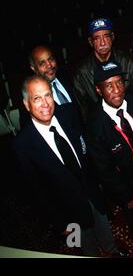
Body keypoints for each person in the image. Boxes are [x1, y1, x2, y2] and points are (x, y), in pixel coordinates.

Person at [13, 75, 126, 257]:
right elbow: (37, 191)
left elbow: (86, 153)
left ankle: (112, 249)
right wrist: (59, 222)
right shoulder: (23, 145)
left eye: (47, 95)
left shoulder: (69, 113)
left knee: (103, 227)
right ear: (26, 104)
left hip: (92, 193)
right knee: (85, 245)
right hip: (67, 209)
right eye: (37, 98)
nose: (45, 103)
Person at [85, 61, 133, 247]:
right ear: (98, 90)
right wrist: (125, 196)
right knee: (132, 209)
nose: (117, 90)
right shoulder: (94, 125)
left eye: (119, 82)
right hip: (123, 177)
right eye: (109, 85)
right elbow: (104, 169)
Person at [73, 17, 133, 122]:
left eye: (106, 36)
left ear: (113, 37)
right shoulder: (82, 72)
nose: (102, 43)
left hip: (129, 117)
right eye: (97, 38)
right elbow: (84, 109)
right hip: (101, 124)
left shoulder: (128, 61)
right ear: (90, 42)